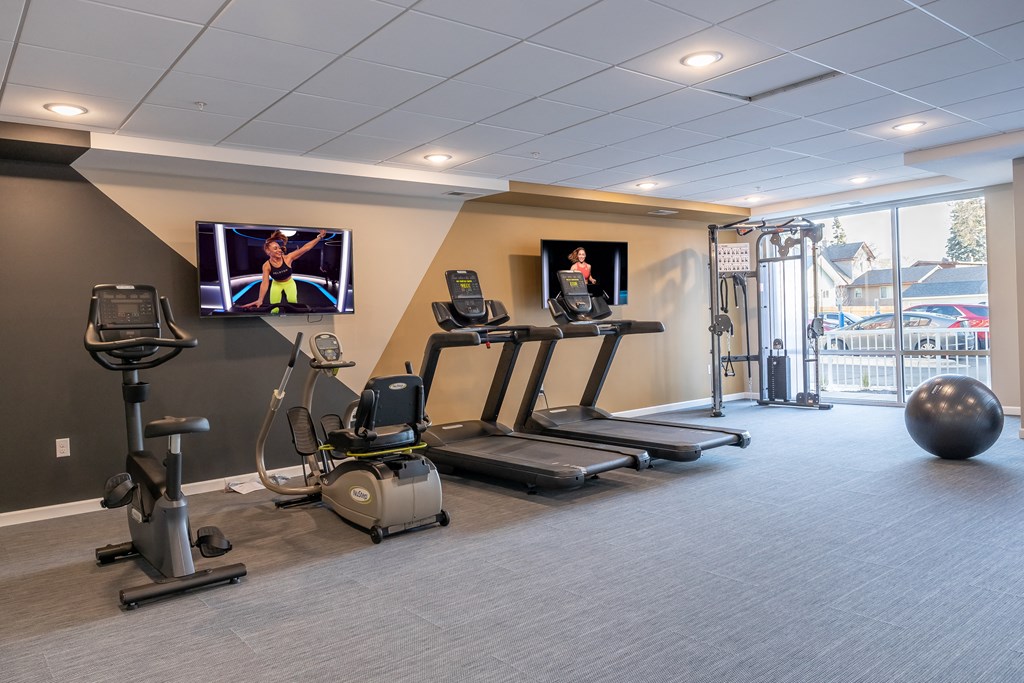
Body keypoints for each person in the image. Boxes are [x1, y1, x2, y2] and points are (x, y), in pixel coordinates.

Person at [241, 229, 326, 312]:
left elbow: (306, 248)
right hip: (276, 284)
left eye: (279, 248)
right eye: (275, 248)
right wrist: (260, 299)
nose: (279, 250)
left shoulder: (288, 258)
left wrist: (319, 237)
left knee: (293, 307)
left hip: (289, 283)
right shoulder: (266, 266)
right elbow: (265, 283)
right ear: (268, 251)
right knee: (274, 309)